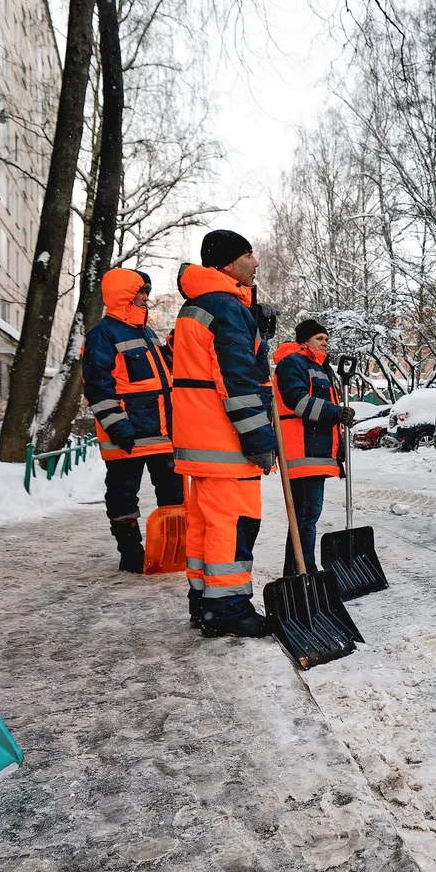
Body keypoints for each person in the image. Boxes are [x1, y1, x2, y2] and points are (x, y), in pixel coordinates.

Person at [169, 230, 275, 638]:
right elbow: (238, 382)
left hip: (202, 440)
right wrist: (260, 439)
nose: (255, 263)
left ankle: (205, 603)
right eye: (249, 255)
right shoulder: (225, 307)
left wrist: (257, 330)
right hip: (226, 441)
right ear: (228, 263)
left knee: (206, 524)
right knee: (233, 526)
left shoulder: (199, 305)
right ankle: (229, 608)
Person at [82, 268, 182, 571]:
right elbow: (97, 386)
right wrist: (117, 426)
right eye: (141, 291)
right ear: (124, 294)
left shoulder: (145, 332)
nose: (146, 298)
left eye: (147, 292)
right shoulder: (102, 334)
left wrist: (172, 349)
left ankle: (172, 549)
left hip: (161, 433)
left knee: (174, 494)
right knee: (123, 495)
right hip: (127, 434)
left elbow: (158, 375)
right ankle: (130, 553)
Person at [272, 319, 353, 574]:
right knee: (306, 515)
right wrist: (335, 412)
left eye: (326, 339)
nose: (325, 343)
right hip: (301, 451)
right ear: (304, 341)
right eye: (319, 338)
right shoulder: (293, 363)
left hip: (316, 451)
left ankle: (298, 570)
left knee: (306, 516)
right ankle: (303, 571)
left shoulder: (319, 367)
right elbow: (297, 401)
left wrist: (338, 445)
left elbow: (323, 412)